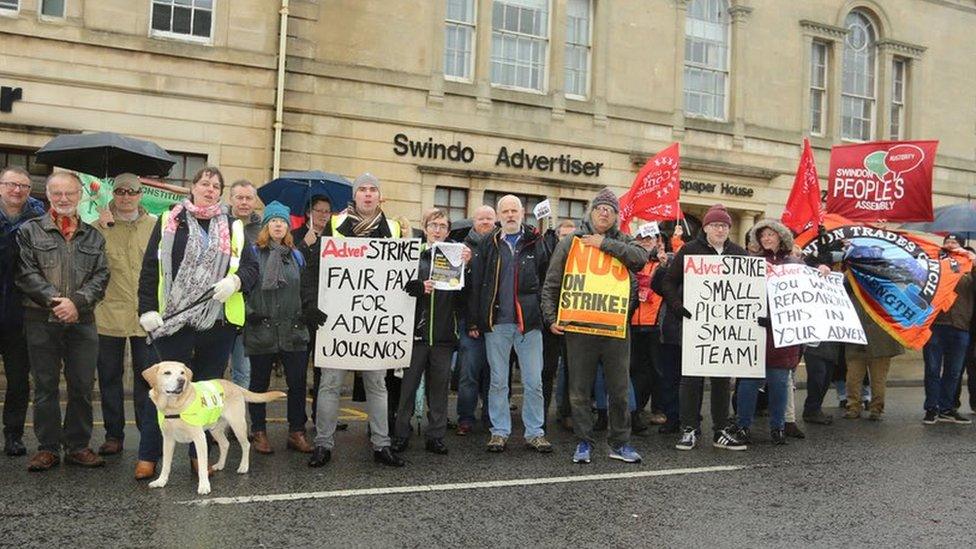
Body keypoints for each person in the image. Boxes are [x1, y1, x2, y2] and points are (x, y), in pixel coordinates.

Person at [136, 166, 258, 477]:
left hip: (216, 324)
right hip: (173, 320)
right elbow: (151, 267)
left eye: (216, 185)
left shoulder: (233, 227)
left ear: (220, 192)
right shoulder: (170, 221)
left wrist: (235, 283)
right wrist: (147, 308)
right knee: (161, 392)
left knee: (203, 396)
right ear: (192, 187)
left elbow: (250, 269)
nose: (210, 189)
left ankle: (197, 456)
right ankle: (149, 457)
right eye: (204, 183)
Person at [304, 172, 405, 468]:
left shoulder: (394, 229)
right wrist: (311, 304)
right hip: (338, 320)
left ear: (380, 196)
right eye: (363, 189)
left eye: (374, 189)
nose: (368, 194)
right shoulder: (336, 225)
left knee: (377, 384)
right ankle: (323, 444)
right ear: (355, 195)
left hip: (375, 322)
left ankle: (381, 445)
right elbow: (314, 268)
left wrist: (412, 286)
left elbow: (405, 271)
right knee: (330, 384)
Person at [542, 189, 648, 463]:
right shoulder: (573, 241)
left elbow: (640, 259)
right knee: (578, 391)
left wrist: (604, 244)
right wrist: (551, 317)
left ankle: (620, 443)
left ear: (616, 216)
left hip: (614, 329)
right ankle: (584, 442)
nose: (604, 212)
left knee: (620, 391)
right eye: (600, 208)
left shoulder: (623, 241)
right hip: (579, 328)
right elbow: (553, 281)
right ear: (591, 212)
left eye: (610, 210)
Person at [16, 172, 110, 471]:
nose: (64, 199)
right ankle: (47, 448)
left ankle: (78, 446)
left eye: (69, 193)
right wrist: (58, 303)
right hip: (41, 318)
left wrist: (77, 303)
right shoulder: (29, 231)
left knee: (82, 386)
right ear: (48, 195)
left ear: (79, 195)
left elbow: (101, 276)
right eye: (57, 193)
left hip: (82, 320)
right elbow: (25, 273)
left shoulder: (94, 236)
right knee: (45, 386)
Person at [468, 195, 552, 453]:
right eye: (505, 211)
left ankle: (535, 432)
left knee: (533, 381)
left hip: (529, 324)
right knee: (498, 381)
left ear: (522, 212)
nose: (510, 215)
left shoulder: (536, 241)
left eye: (514, 210)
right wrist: (475, 319)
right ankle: (499, 432)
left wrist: (543, 313)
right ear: (498, 215)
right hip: (497, 324)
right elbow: (477, 284)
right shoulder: (487, 243)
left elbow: (548, 280)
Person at [660, 204, 747, 451]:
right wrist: (678, 307)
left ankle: (720, 430)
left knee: (721, 381)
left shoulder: (739, 254)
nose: (720, 229)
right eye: (715, 225)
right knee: (691, 380)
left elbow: (751, 291)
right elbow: (668, 281)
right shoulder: (689, 250)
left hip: (726, 330)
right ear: (706, 227)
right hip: (696, 327)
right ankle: (689, 429)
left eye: (724, 226)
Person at [391, 208, 470, 455]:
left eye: (443, 226)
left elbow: (466, 296)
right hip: (415, 335)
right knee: (407, 389)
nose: (438, 230)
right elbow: (395, 287)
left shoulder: (456, 257)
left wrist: (467, 267)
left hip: (444, 335)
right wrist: (415, 287)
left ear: (448, 231)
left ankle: (435, 435)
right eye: (433, 225)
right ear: (424, 228)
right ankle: (400, 434)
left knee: (439, 391)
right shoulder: (411, 254)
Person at [92, 173, 157, 458]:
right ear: (114, 194)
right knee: (109, 377)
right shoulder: (97, 227)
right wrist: (101, 228)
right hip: (108, 314)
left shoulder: (156, 227)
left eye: (132, 191)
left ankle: (147, 438)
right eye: (120, 191)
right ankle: (114, 435)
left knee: (147, 379)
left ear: (141, 194)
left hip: (146, 316)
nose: (126, 197)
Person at [734, 220, 813, 446]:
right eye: (763, 236)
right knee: (748, 384)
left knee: (779, 384)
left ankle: (778, 427)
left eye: (771, 234)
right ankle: (743, 426)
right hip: (755, 333)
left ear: (781, 236)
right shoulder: (752, 263)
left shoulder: (795, 264)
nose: (767, 239)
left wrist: (823, 270)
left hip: (782, 335)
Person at [244, 201, 315, 454]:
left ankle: (297, 432)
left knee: (297, 384)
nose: (278, 225)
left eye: (282, 221)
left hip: (292, 330)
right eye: (273, 220)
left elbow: (305, 289)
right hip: (261, 327)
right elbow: (241, 287)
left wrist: (307, 311)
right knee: (259, 384)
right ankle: (259, 432)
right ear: (266, 225)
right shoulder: (252, 253)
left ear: (288, 227)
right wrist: (249, 313)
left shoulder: (296, 256)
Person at [0, 166, 45, 456]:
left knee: (18, 381)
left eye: (24, 186)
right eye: (11, 184)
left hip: (20, 314)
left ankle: (14, 436)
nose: (17, 190)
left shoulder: (39, 219)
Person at [922, 234, 974, 425]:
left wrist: (973, 260)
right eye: (947, 242)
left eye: (954, 243)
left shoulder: (969, 271)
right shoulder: (934, 265)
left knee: (953, 371)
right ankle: (931, 408)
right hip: (935, 326)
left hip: (960, 327)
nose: (950, 245)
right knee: (933, 369)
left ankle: (946, 408)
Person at [455, 205, 496, 435]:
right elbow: (462, 292)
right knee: (468, 374)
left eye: (490, 219)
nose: (485, 222)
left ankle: (492, 417)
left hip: (495, 323)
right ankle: (466, 418)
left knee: (495, 375)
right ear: (474, 222)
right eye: (481, 219)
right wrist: (471, 322)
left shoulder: (501, 246)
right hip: (469, 323)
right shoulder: (461, 249)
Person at [293, 195, 333, 425]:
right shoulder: (297, 236)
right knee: (298, 372)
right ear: (309, 212)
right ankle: (298, 422)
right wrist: (303, 245)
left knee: (322, 371)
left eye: (327, 211)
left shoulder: (333, 239)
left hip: (323, 313)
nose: (323, 215)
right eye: (319, 210)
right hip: (300, 313)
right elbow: (289, 269)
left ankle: (322, 417)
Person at [843, 285, 904, 421]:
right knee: (853, 378)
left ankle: (876, 408)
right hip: (857, 340)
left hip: (880, 342)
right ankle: (853, 406)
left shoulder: (884, 284)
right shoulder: (852, 282)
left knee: (878, 379)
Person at [629, 225, 669, 432]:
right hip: (633, 324)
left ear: (657, 240)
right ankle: (636, 409)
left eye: (649, 238)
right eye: (641, 238)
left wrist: (664, 266)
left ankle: (659, 409)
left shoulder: (664, 261)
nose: (645, 241)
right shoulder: (631, 261)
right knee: (636, 370)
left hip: (655, 324)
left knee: (658, 370)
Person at [228, 180, 262, 393]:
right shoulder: (219, 224)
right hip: (219, 309)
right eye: (239, 197)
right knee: (213, 370)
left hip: (248, 312)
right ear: (230, 199)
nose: (244, 202)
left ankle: (234, 422)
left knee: (242, 371)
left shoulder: (262, 231)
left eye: (248, 198)